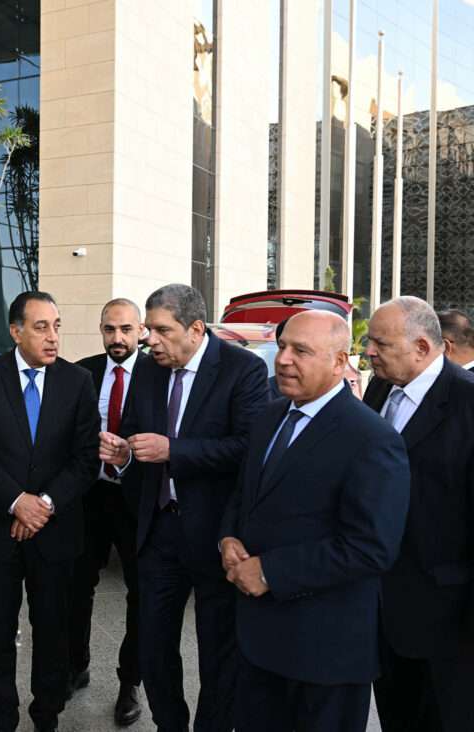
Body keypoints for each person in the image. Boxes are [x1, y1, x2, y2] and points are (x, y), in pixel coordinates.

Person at [220, 310, 409, 732]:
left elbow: (371, 548)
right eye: (282, 346)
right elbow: (244, 493)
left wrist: (269, 572)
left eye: (301, 351)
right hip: (257, 643)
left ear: (340, 362)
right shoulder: (269, 416)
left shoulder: (372, 438)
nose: (283, 359)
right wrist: (228, 537)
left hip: (325, 656)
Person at [100, 283, 268, 732]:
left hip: (217, 536)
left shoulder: (242, 370)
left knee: (217, 652)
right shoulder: (149, 371)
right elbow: (135, 433)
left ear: (195, 329)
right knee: (153, 648)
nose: (150, 340)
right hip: (158, 532)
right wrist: (125, 454)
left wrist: (174, 450)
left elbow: (248, 448)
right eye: (149, 330)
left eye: (161, 330)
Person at [0, 291, 99, 732]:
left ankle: (46, 718)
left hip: (54, 534)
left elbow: (85, 459)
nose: (53, 336)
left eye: (57, 326)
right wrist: (17, 502)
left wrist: (44, 505)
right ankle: (2, 720)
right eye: (41, 327)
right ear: (16, 332)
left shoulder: (77, 382)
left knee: (53, 632)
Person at [364, 297, 474, 732]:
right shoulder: (378, 389)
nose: (369, 352)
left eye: (380, 343)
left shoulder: (467, 402)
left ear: (423, 348)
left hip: (449, 621)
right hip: (380, 608)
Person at [68, 298, 146, 726]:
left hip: (136, 501)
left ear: (140, 332)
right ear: (101, 330)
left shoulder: (157, 376)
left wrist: (130, 457)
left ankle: (129, 682)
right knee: (77, 586)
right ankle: (75, 666)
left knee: (140, 594)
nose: (117, 338)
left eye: (126, 329)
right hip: (89, 497)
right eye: (109, 329)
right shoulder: (83, 373)